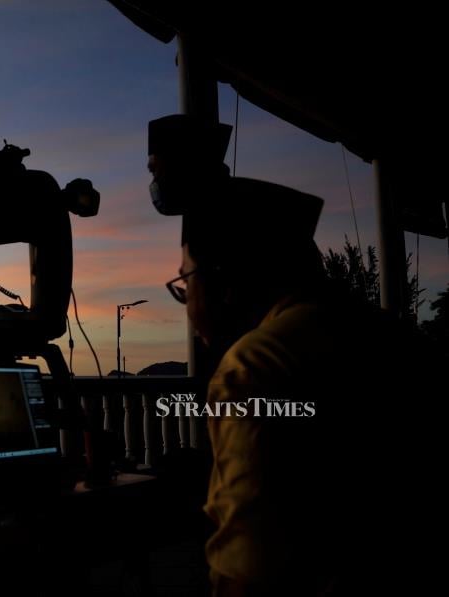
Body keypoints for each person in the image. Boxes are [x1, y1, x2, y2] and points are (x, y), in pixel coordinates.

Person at [148, 115, 426, 596]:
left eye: (185, 283)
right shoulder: (387, 333)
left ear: (225, 284)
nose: (187, 304)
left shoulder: (254, 370)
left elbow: (248, 579)